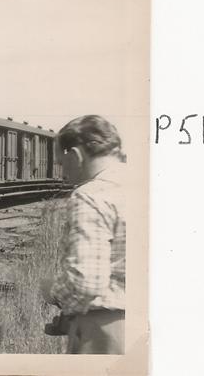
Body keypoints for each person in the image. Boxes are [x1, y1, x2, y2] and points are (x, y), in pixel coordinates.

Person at [41, 115, 126, 354]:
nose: (62, 172)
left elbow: (86, 283)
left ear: (75, 155)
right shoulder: (141, 183)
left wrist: (52, 291)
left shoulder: (90, 195)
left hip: (105, 329)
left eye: (61, 163)